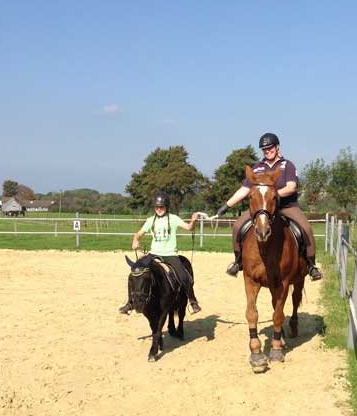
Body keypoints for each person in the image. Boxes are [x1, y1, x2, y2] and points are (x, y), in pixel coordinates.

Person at [214, 132, 322, 281]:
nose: (267, 151)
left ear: (277, 147)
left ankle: (311, 265)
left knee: (306, 228)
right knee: (238, 226)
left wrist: (272, 196)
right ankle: (238, 261)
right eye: (264, 149)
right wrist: (227, 205)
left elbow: (291, 187)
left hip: (286, 206)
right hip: (261, 208)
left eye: (270, 148)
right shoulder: (257, 168)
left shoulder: (287, 165)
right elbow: (245, 189)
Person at [118, 191, 201, 314]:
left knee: (183, 275)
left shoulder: (173, 219)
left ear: (166, 207)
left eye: (161, 207)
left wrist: (193, 221)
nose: (159, 209)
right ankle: (130, 303)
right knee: (135, 272)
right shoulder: (150, 220)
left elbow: (189, 228)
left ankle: (193, 301)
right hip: (153, 254)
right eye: (157, 207)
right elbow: (139, 234)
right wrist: (135, 240)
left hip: (170, 254)